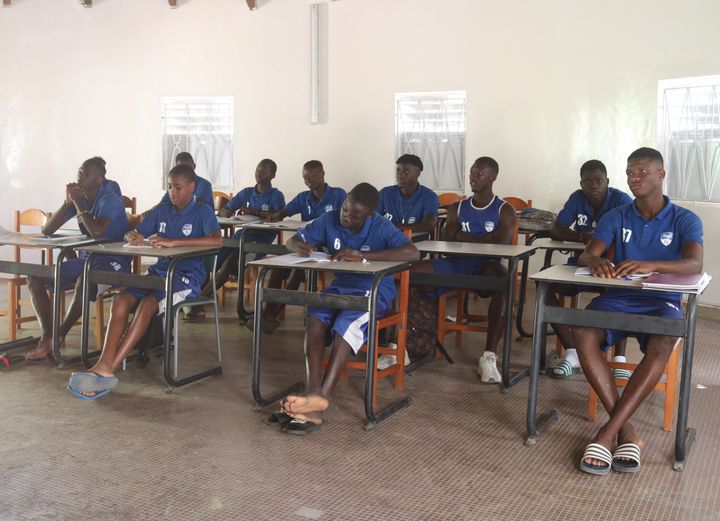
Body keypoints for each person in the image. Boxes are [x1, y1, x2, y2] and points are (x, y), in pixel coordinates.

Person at [574, 147, 703, 475]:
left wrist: (653, 264)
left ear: (660, 175)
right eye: (630, 172)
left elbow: (695, 263)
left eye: (642, 171)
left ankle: (607, 433)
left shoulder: (685, 219)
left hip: (662, 301)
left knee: (663, 342)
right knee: (583, 331)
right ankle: (627, 431)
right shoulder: (615, 216)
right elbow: (586, 256)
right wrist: (597, 260)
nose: (634, 177)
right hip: (618, 297)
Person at [269, 183, 420, 434]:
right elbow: (294, 240)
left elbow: (412, 253)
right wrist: (297, 246)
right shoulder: (329, 219)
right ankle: (313, 391)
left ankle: (318, 403)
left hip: (373, 291)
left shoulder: (380, 225)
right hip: (340, 289)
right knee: (314, 316)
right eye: (346, 209)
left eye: (354, 215)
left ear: (369, 215)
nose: (346, 216)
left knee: (346, 324)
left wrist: (363, 256)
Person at [66, 163, 222, 399]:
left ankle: (110, 369)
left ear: (192, 187)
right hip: (158, 273)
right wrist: (133, 235)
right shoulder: (162, 210)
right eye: (169, 187)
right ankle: (103, 362)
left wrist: (174, 242)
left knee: (149, 304)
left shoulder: (203, 212)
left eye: (178, 188)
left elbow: (217, 242)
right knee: (121, 299)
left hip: (186, 279)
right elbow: (135, 230)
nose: (173, 192)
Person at [410, 156, 516, 383]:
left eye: (480, 173)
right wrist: (484, 239)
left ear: (493, 177)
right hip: (455, 263)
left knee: (504, 282)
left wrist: (463, 237)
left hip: (485, 266)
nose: (473, 177)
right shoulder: (457, 207)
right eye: (472, 172)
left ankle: (488, 356)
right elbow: (447, 239)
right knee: (407, 272)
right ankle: (402, 343)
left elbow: (501, 245)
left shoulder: (504, 210)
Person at [24, 156, 131, 361]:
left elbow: (97, 233)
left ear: (99, 179)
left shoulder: (110, 198)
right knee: (34, 277)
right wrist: (67, 203)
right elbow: (47, 229)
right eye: (79, 171)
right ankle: (48, 334)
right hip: (88, 258)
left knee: (85, 280)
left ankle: (57, 336)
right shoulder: (80, 198)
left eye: (86, 173)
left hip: (114, 261)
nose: (79, 176)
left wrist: (79, 204)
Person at [547, 160, 633, 379]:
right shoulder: (577, 198)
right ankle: (572, 353)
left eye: (597, 180)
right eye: (587, 181)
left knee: (617, 295)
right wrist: (579, 236)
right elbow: (556, 230)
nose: (592, 185)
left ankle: (618, 359)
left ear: (607, 182)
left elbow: (628, 237)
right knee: (545, 287)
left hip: (613, 267)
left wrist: (599, 238)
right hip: (584, 263)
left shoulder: (621, 201)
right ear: (581, 184)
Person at [254, 160, 346, 331]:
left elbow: (346, 221)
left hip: (330, 249)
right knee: (279, 268)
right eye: (305, 177)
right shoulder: (304, 197)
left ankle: (271, 315)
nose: (308, 180)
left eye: (312, 176)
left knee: (298, 272)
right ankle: (268, 310)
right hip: (307, 245)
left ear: (322, 174)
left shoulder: (338, 194)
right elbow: (284, 212)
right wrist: (276, 216)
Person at [188, 158, 285, 321]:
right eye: (257, 169)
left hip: (259, 244)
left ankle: (198, 302)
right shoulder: (247, 192)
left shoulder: (276, 195)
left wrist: (253, 211)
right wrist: (226, 212)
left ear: (273, 175)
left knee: (230, 264)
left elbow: (277, 216)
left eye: (264, 170)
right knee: (212, 259)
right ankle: (197, 298)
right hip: (239, 238)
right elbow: (227, 209)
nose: (259, 173)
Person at [377, 154, 439, 237]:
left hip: (416, 243)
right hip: (387, 240)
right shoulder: (385, 193)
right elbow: (372, 220)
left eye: (406, 171)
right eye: (398, 170)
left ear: (417, 173)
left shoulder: (429, 196)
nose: (400, 174)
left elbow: (428, 225)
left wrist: (392, 227)